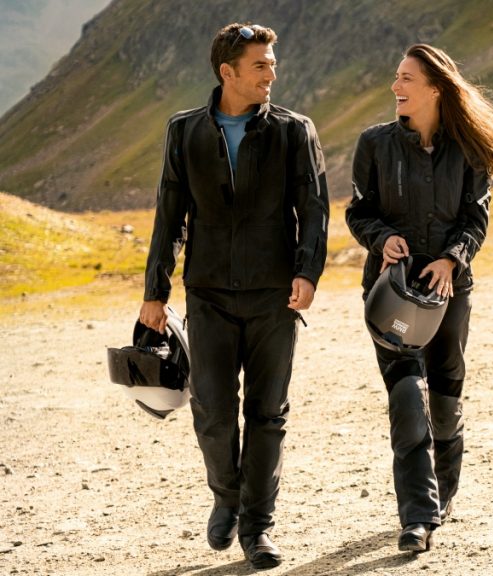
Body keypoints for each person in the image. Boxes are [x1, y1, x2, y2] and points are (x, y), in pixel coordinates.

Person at [139, 22, 329, 570]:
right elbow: (169, 214)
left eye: (272, 64)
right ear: (228, 72)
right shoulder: (185, 131)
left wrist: (307, 272)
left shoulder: (294, 131)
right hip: (209, 295)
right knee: (213, 409)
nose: (272, 74)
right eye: (260, 65)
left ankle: (258, 525)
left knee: (268, 413)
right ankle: (227, 496)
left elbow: (314, 207)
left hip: (274, 295)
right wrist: (155, 291)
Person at [345, 43, 493, 552]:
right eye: (396, 77)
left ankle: (443, 494)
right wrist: (382, 239)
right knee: (406, 397)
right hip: (390, 291)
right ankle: (417, 517)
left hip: (448, 290)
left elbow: (475, 218)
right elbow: (358, 211)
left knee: (445, 391)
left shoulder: (469, 149)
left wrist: (452, 259)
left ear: (436, 89)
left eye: (406, 78)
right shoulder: (374, 143)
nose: (395, 86)